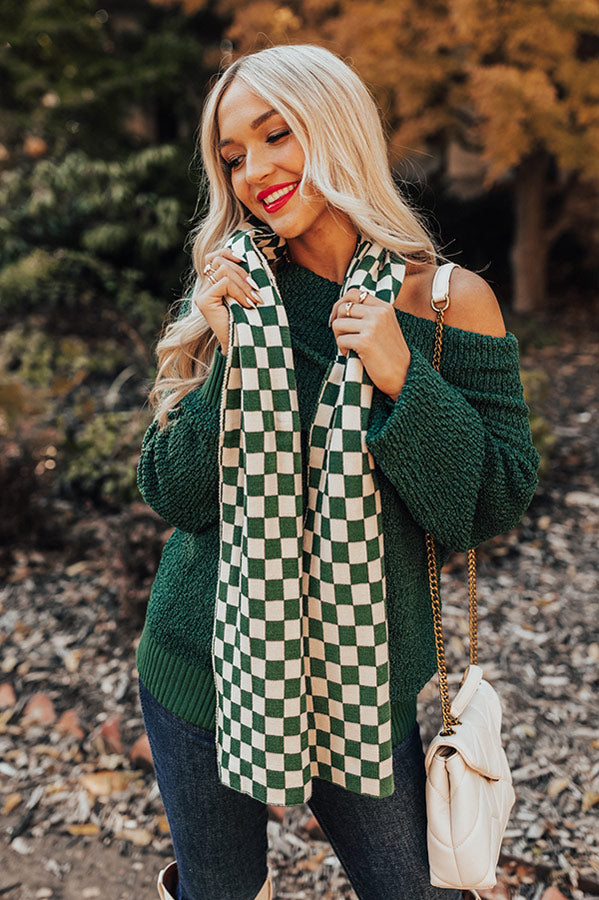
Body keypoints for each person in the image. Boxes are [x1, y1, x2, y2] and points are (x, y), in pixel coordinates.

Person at [135, 43, 539, 900]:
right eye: (233, 155)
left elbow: (493, 500)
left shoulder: (444, 303)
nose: (254, 172)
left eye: (276, 135)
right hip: (206, 659)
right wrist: (234, 360)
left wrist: (402, 376)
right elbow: (171, 492)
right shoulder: (233, 288)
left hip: (362, 680)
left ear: (337, 128)